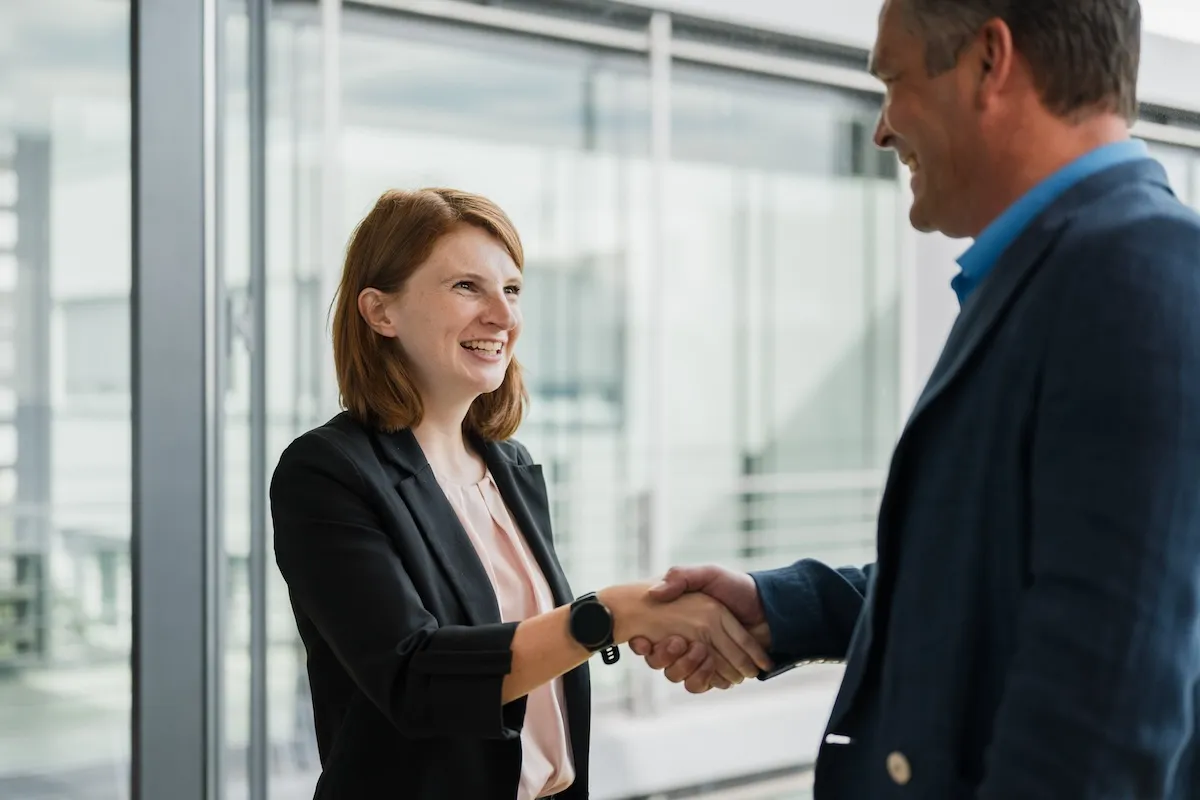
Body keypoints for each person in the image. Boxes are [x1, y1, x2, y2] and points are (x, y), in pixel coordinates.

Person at [631, 0, 1200, 797]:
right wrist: (783, 608)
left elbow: (1104, 713)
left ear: (988, 64)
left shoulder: (1142, 275)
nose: (882, 129)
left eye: (893, 80)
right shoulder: (1065, 272)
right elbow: (998, 576)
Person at [270, 187, 771, 800]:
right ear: (380, 312)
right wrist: (609, 615)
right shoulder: (327, 471)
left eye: (511, 290)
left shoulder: (510, 467)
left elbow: (533, 668)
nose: (503, 317)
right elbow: (415, 676)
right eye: (466, 287)